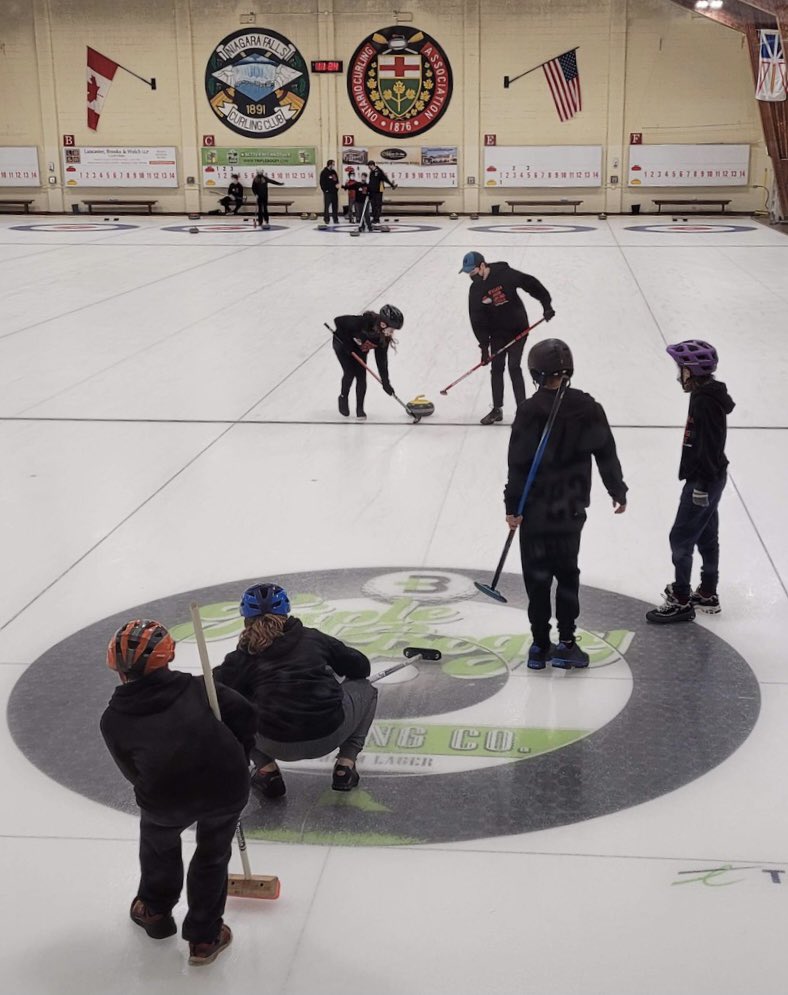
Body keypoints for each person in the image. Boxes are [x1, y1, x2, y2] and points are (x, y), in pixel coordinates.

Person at [100, 619, 256, 967]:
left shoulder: (113, 719)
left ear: (117, 668)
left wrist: (155, 790)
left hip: (165, 799)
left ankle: (155, 911)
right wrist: (237, 754)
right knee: (213, 855)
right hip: (225, 786)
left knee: (158, 843)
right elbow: (246, 715)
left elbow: (131, 771)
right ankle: (204, 938)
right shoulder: (201, 689)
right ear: (168, 658)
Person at [505, 339, 628, 669]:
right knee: (567, 575)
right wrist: (617, 489)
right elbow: (606, 452)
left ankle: (539, 646)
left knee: (537, 578)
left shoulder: (529, 410)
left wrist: (512, 507)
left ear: (535, 372)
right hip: (569, 511)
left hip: (534, 511)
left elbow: (517, 463)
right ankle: (567, 644)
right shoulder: (588, 407)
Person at [213, 584, 378, 798]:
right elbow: (361, 668)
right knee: (367, 689)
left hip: (274, 743)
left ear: (246, 618)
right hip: (329, 733)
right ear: (285, 612)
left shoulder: (242, 657)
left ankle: (266, 770)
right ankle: (345, 764)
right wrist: (327, 673)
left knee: (226, 705)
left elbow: (214, 692)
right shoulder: (313, 639)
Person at [646, 340, 734, 624]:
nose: (679, 375)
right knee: (707, 535)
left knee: (680, 538)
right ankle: (707, 592)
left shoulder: (704, 401)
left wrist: (701, 487)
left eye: (681, 369)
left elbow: (709, 444)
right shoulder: (707, 394)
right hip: (711, 476)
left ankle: (681, 599)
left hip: (704, 479)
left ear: (692, 371)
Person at [459, 251, 556, 425]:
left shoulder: (504, 274)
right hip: (497, 332)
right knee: (496, 368)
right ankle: (497, 410)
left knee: (513, 366)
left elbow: (530, 283)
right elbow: (477, 319)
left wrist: (546, 304)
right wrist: (484, 347)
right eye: (469, 273)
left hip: (518, 328)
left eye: (473, 272)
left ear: (482, 265)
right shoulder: (475, 290)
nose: (471, 276)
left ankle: (523, 411)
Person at [330, 304, 404, 418]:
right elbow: (338, 321)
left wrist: (386, 382)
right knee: (350, 372)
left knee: (361, 376)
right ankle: (343, 397)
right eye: (391, 329)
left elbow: (381, 361)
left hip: (360, 348)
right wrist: (347, 342)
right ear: (383, 324)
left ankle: (360, 409)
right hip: (342, 344)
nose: (392, 332)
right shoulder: (364, 322)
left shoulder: (383, 339)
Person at [319, 159, 340, 225]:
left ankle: (335, 219)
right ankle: (326, 219)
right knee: (327, 206)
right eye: (333, 164)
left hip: (334, 192)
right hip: (328, 193)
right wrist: (325, 190)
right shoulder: (324, 172)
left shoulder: (334, 172)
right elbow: (321, 182)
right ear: (329, 165)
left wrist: (337, 188)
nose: (334, 166)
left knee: (335, 206)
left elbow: (337, 181)